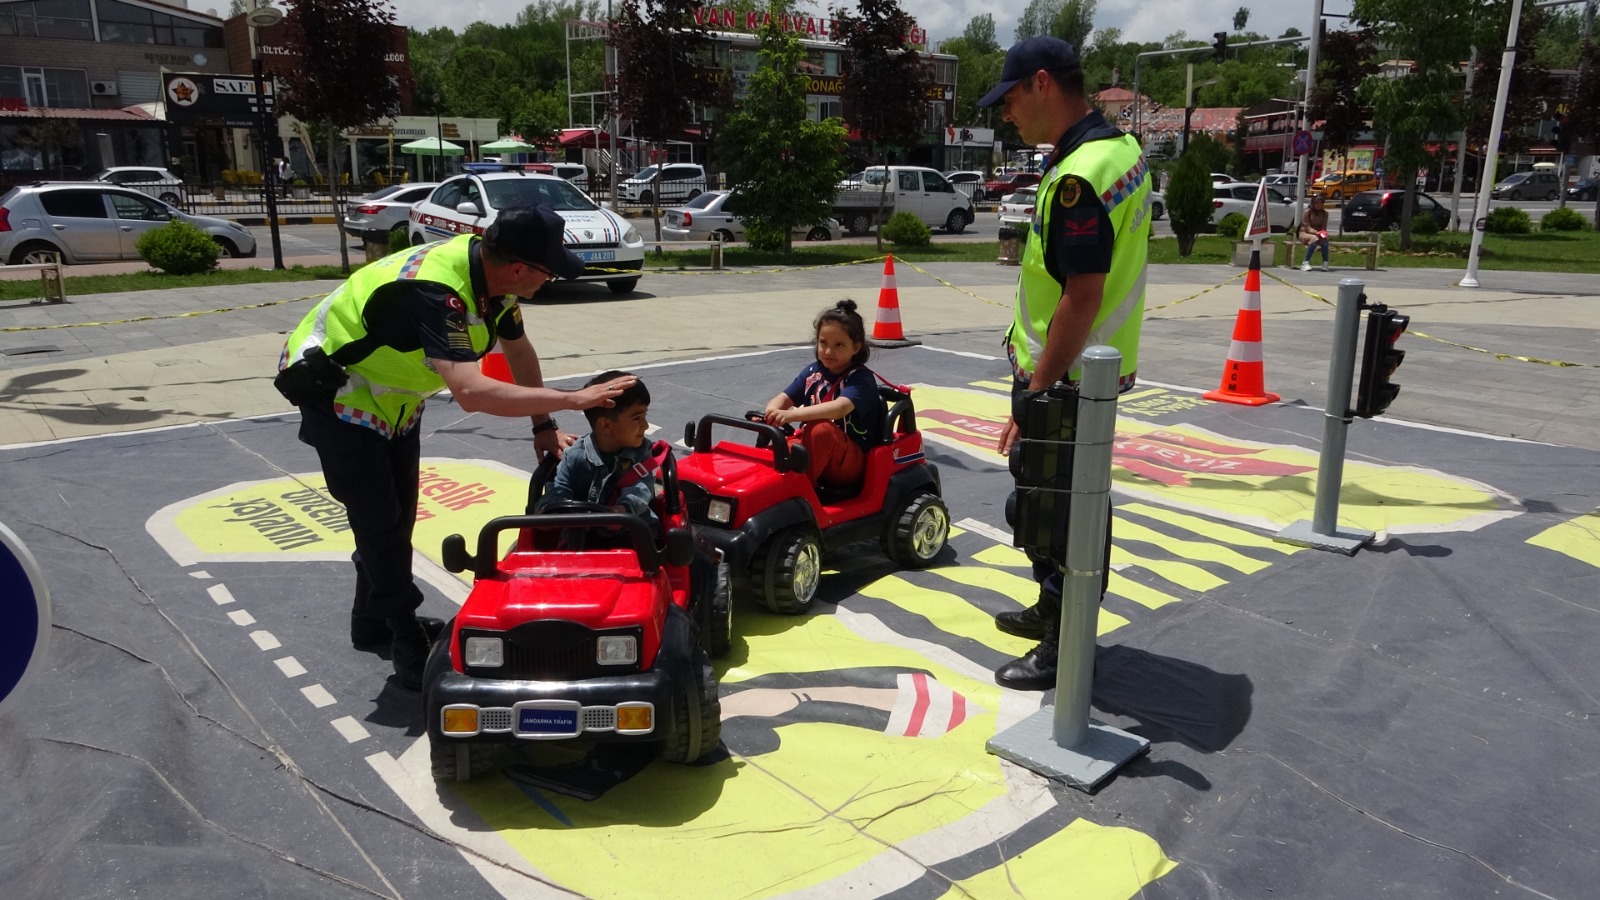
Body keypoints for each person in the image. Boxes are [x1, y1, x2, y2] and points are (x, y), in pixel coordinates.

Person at [276, 205, 637, 691]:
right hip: (337, 392)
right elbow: (472, 391)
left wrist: (544, 425)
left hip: (395, 396)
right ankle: (404, 636)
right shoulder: (437, 292)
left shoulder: (495, 285)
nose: (547, 282)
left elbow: (519, 352)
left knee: (399, 513)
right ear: (518, 268)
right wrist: (576, 399)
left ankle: (371, 621)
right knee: (378, 519)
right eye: (547, 273)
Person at [977, 35, 1151, 690]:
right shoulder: (1121, 152)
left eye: (1012, 97)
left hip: (1067, 376)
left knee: (1057, 511)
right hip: (1097, 366)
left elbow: (1082, 296)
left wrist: (1038, 386)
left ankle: (1065, 639)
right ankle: (1055, 608)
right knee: (1066, 502)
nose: (1006, 113)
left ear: (1044, 84)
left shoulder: (1079, 178)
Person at [763, 299, 886, 489]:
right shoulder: (814, 370)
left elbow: (839, 409)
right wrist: (772, 411)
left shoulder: (861, 379)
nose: (828, 351)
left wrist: (790, 415)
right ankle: (764, 489)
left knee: (820, 430)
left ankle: (798, 492)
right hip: (816, 446)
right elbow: (786, 397)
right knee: (776, 451)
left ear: (855, 347)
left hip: (850, 462)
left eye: (839, 345)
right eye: (823, 343)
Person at [541, 371, 665, 529]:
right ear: (605, 425)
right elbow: (560, 488)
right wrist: (550, 510)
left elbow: (642, 488)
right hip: (581, 536)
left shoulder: (640, 453)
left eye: (644, 416)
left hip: (633, 534)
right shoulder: (575, 456)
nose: (646, 426)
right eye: (637, 418)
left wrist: (623, 509)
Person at [1298, 195, 1331, 272]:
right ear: (1313, 203)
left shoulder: (1325, 213)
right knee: (1314, 239)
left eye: (1321, 203)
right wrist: (1317, 232)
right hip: (1305, 232)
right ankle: (1305, 262)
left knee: (1324, 241)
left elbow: (1323, 226)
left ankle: (1325, 262)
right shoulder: (1307, 212)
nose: (1319, 205)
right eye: (1317, 203)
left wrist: (1323, 233)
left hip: (1318, 233)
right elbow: (1307, 227)